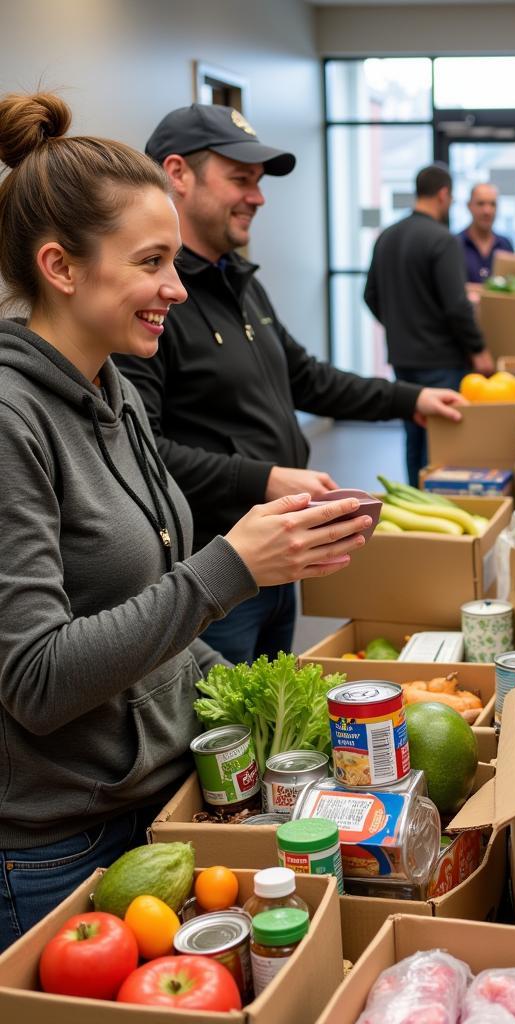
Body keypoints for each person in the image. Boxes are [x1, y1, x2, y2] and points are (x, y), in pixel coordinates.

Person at [0, 92, 369, 946]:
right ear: (61, 267)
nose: (175, 286)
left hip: (152, 806)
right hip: (60, 846)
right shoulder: (14, 423)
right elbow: (36, 680)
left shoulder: (113, 390)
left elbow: (145, 600)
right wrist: (230, 565)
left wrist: (292, 718)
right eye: (151, 262)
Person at [115, 104, 463, 665]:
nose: (258, 197)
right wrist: (266, 477)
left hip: (280, 559)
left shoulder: (239, 281)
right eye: (240, 180)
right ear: (177, 174)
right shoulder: (152, 302)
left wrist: (410, 397)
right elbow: (141, 455)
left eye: (258, 183)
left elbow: (304, 378)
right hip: (211, 571)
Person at [365, 163, 495, 484]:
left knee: (414, 433)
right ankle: (435, 503)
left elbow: (369, 295)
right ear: (443, 194)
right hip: (440, 360)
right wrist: (478, 350)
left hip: (402, 358)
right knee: (441, 443)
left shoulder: (387, 237)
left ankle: (416, 498)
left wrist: (398, 325)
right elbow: (456, 306)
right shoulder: (442, 240)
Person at [459, 182, 514, 284]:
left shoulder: (506, 245)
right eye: (481, 203)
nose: (487, 211)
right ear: (469, 206)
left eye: (492, 204)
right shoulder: (456, 244)